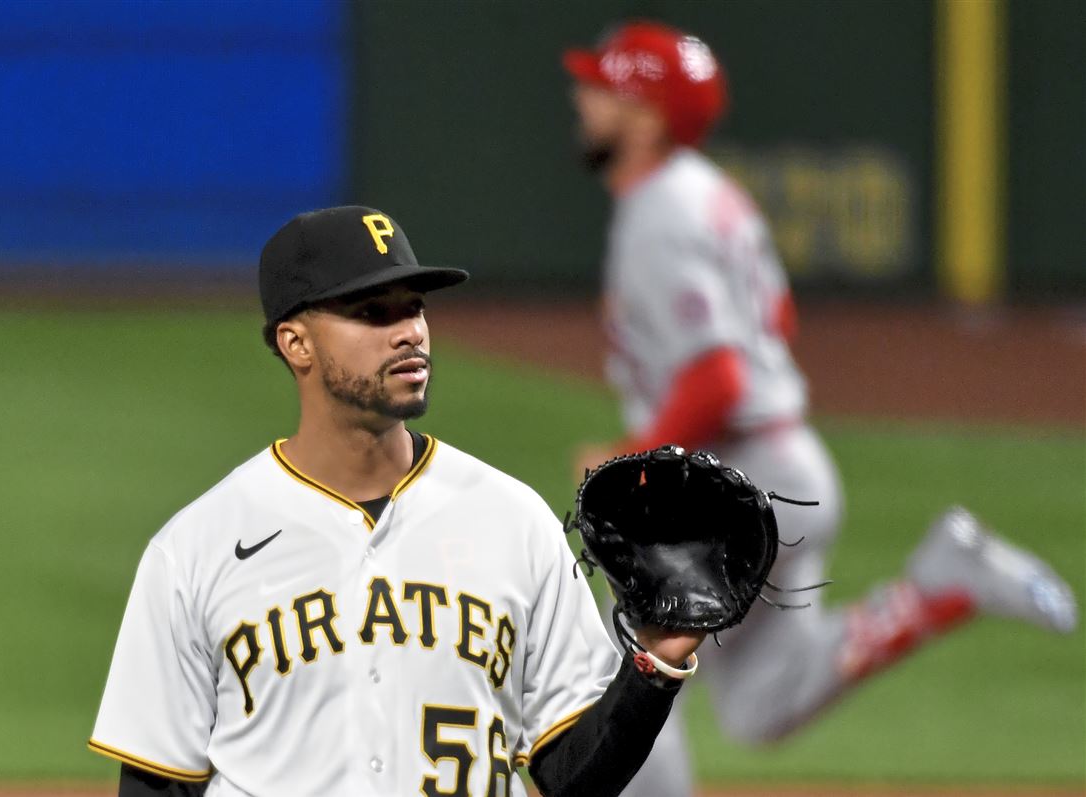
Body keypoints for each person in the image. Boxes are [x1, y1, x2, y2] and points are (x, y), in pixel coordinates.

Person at [563, 20, 1079, 797]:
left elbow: (720, 375)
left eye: (602, 88)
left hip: (741, 479)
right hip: (782, 465)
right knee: (760, 704)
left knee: (628, 669)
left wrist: (636, 455)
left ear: (647, 115)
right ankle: (940, 585)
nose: (583, 99)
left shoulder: (661, 213)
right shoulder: (708, 194)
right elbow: (774, 326)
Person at [89, 205, 709, 797]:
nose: (409, 332)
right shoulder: (195, 549)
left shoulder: (514, 522)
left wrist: (652, 665)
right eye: (372, 312)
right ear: (295, 343)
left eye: (413, 308)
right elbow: (156, 783)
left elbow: (572, 778)